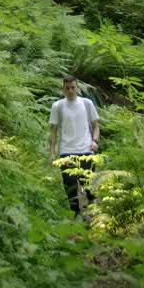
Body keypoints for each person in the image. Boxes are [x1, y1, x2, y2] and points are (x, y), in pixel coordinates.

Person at [48, 75, 100, 216]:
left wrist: (94, 141)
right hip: (66, 151)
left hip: (86, 151)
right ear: (63, 89)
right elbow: (53, 132)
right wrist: (52, 153)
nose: (70, 91)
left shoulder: (87, 103)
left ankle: (92, 214)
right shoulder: (57, 106)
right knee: (70, 187)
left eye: (73, 88)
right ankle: (77, 214)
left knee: (88, 186)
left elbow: (96, 126)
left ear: (77, 87)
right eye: (67, 88)